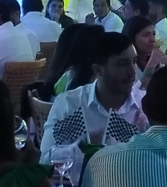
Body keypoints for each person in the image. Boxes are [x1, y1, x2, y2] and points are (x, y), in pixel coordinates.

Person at [40, 31, 149, 177]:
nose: (132, 71)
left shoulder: (145, 105)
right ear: (98, 70)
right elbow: (46, 159)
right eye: (122, 64)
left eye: (134, 62)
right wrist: (83, 147)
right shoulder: (73, 105)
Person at [123, 15, 167, 79]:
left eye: (154, 34)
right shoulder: (125, 64)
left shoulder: (157, 62)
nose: (153, 39)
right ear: (132, 37)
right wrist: (151, 66)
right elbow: (135, 85)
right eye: (146, 35)